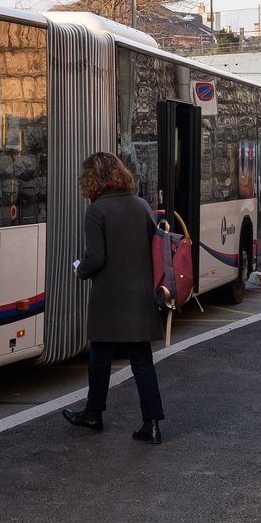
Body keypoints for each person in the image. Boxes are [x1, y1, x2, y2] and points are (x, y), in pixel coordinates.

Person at [61, 151, 166, 444]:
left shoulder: (96, 211)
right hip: (140, 296)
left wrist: (79, 270)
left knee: (100, 359)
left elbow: (95, 258)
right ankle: (152, 423)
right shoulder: (140, 205)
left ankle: (94, 413)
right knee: (142, 362)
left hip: (109, 298)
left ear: (92, 178)